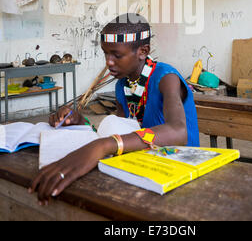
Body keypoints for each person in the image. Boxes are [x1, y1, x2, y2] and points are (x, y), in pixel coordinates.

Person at [29, 13, 199, 205]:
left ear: (143, 51)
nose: (109, 62)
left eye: (116, 55)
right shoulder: (122, 85)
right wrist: (82, 122)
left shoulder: (166, 78)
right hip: (148, 164)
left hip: (183, 167)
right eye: (105, 53)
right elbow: (122, 129)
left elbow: (178, 132)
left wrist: (103, 145)